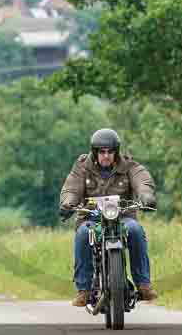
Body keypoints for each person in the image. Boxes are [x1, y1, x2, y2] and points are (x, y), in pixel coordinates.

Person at [59, 127, 158, 307]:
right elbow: (71, 188)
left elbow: (141, 179)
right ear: (95, 152)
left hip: (122, 218)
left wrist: (146, 196)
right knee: (82, 234)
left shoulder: (128, 165)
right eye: (102, 152)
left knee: (135, 230)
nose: (106, 155)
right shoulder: (82, 166)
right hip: (92, 219)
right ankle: (84, 290)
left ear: (116, 152)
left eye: (110, 151)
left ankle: (143, 284)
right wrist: (68, 203)